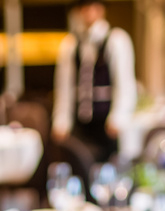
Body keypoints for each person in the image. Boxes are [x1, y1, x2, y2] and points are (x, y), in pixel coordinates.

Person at [51, 0, 136, 162]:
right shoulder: (71, 44)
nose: (90, 11)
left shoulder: (116, 40)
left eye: (94, 6)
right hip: (80, 123)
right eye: (85, 7)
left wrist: (118, 117)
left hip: (106, 122)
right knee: (79, 163)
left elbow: (124, 83)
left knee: (108, 165)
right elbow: (64, 87)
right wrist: (61, 121)